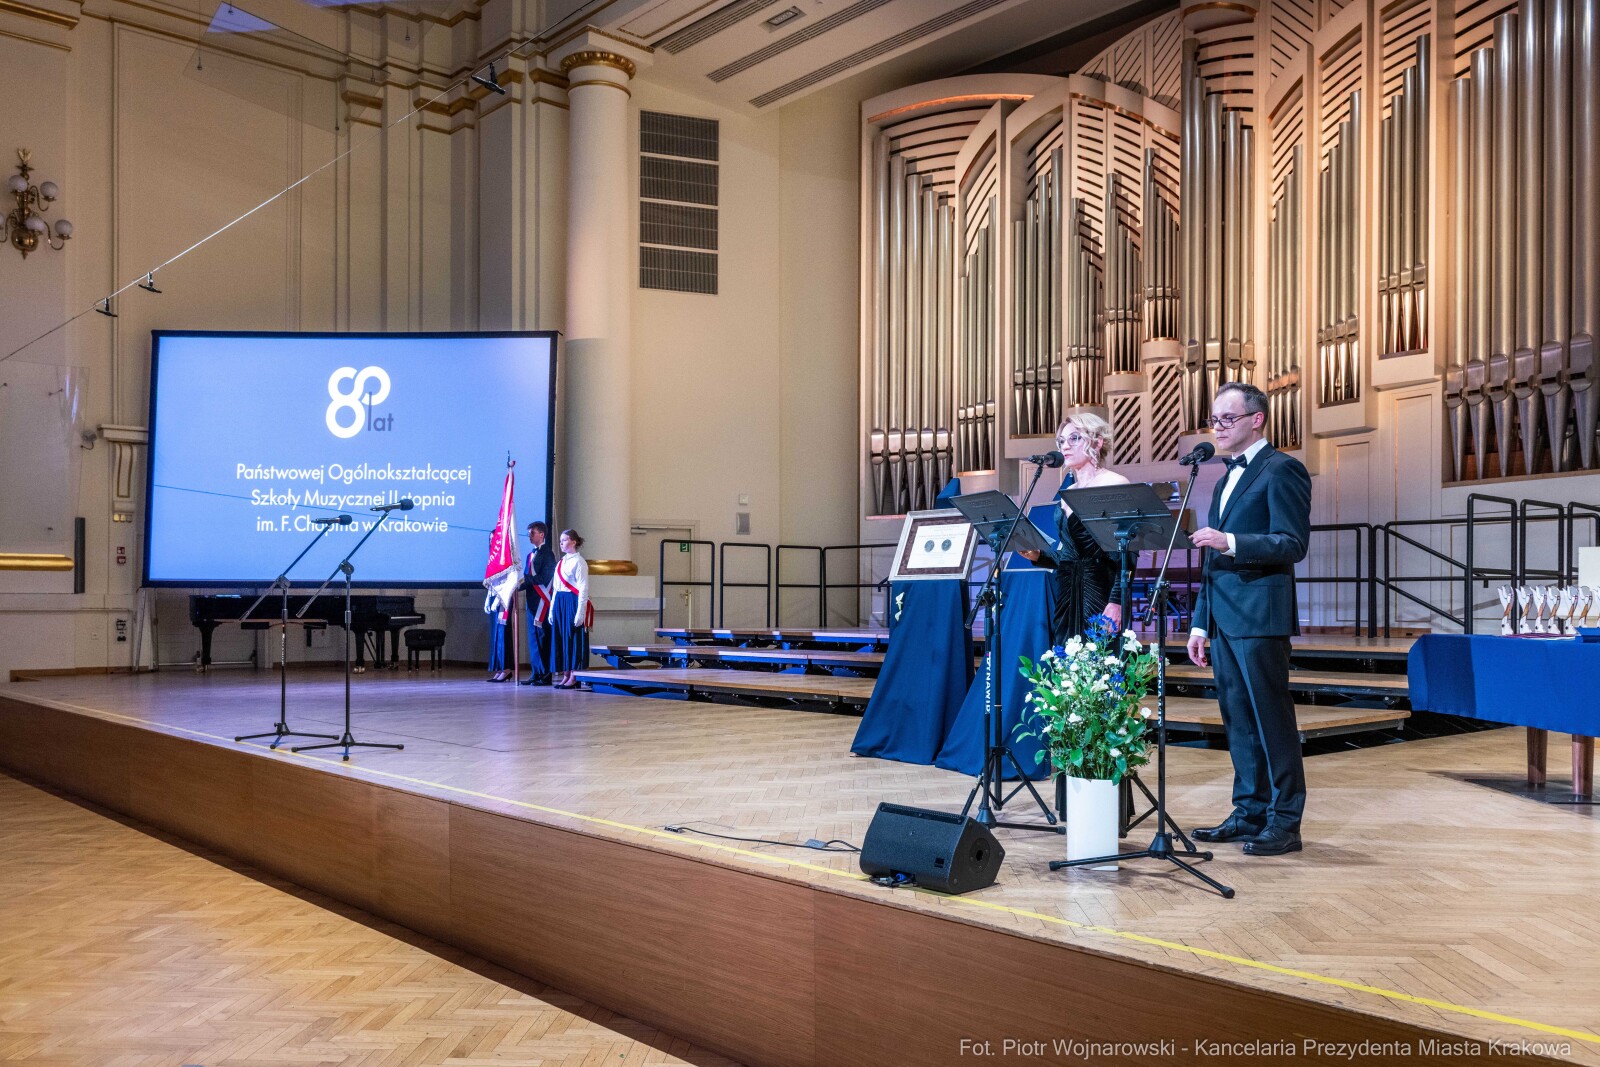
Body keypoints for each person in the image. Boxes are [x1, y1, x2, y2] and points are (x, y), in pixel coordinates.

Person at [1185, 381, 1312, 857]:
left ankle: (1285, 821)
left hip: (1260, 616)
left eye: (1226, 418)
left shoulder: (1283, 470)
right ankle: (1249, 811)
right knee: (1237, 722)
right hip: (1222, 617)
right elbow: (1209, 559)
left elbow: (1292, 543)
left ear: (1256, 419)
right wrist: (1200, 623)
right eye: (1214, 419)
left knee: (1271, 721)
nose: (1216, 427)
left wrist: (1233, 542)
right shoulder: (1220, 480)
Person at [1019, 413, 1132, 644]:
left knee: (1100, 667)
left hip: (1101, 590)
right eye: (1061, 441)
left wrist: (1117, 602)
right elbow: (1070, 555)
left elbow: (1128, 554)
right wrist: (1039, 555)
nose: (1065, 446)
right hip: (1068, 593)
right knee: (1066, 670)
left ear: (1098, 442)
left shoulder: (1114, 484)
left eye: (1074, 438)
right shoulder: (1066, 494)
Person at [551, 528, 592, 689]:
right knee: (562, 638)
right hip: (560, 601)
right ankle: (566, 673)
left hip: (572, 602)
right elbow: (555, 587)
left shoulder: (579, 562)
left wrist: (580, 612)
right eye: (560, 540)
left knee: (573, 638)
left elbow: (583, 588)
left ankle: (575, 675)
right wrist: (552, 609)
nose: (561, 543)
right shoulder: (561, 562)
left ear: (573, 542)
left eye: (565, 540)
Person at [520, 521, 556, 686]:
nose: (529, 535)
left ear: (542, 534)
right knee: (533, 638)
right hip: (532, 601)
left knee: (543, 638)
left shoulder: (548, 554)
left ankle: (546, 674)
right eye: (529, 533)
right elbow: (528, 579)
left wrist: (524, 580)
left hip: (543, 602)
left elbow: (545, 577)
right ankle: (536, 672)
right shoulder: (530, 555)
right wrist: (515, 586)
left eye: (532, 532)